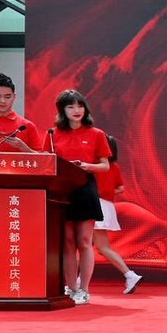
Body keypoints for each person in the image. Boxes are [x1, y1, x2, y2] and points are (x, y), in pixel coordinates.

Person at [0, 73, 42, 286]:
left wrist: (24, 148)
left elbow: (43, 161)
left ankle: (13, 280)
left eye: (7, 96)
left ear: (14, 96)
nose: (2, 101)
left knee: (13, 239)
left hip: (18, 194)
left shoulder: (26, 126)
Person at [51, 89, 112, 305]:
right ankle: (71, 287)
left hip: (85, 188)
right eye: (70, 106)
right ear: (63, 110)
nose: (76, 110)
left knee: (84, 241)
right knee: (67, 243)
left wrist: (87, 166)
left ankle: (84, 289)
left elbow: (105, 166)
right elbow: (47, 161)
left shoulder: (96, 134)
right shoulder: (53, 134)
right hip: (62, 190)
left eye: (80, 106)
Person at [93, 135, 143, 294]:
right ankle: (78, 281)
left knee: (97, 247)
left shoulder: (94, 166)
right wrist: (107, 191)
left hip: (95, 205)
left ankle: (129, 274)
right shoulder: (114, 167)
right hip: (106, 205)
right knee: (95, 247)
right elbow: (120, 188)